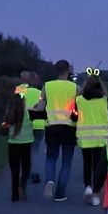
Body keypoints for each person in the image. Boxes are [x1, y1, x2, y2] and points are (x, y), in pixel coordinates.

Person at [33, 60, 80, 201]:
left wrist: (37, 106)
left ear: (56, 70)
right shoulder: (75, 87)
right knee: (66, 161)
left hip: (52, 127)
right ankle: (60, 193)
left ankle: (49, 181)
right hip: (69, 128)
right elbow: (81, 105)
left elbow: (41, 106)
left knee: (51, 158)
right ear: (68, 70)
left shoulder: (47, 86)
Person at [71, 70, 108, 206]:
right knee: (98, 167)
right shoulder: (105, 100)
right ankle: (96, 194)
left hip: (85, 137)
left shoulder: (79, 100)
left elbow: (74, 117)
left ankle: (87, 186)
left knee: (87, 163)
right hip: (100, 138)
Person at [3, 85, 34, 201]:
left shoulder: (10, 114)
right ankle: (22, 185)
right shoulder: (29, 112)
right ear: (23, 102)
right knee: (26, 168)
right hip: (26, 143)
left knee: (14, 170)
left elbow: (5, 125)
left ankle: (14, 194)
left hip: (13, 143)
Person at [23, 71, 45, 183]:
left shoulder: (21, 90)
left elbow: (14, 104)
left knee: (26, 149)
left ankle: (26, 171)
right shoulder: (40, 93)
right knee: (35, 149)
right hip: (39, 125)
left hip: (25, 124)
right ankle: (35, 172)